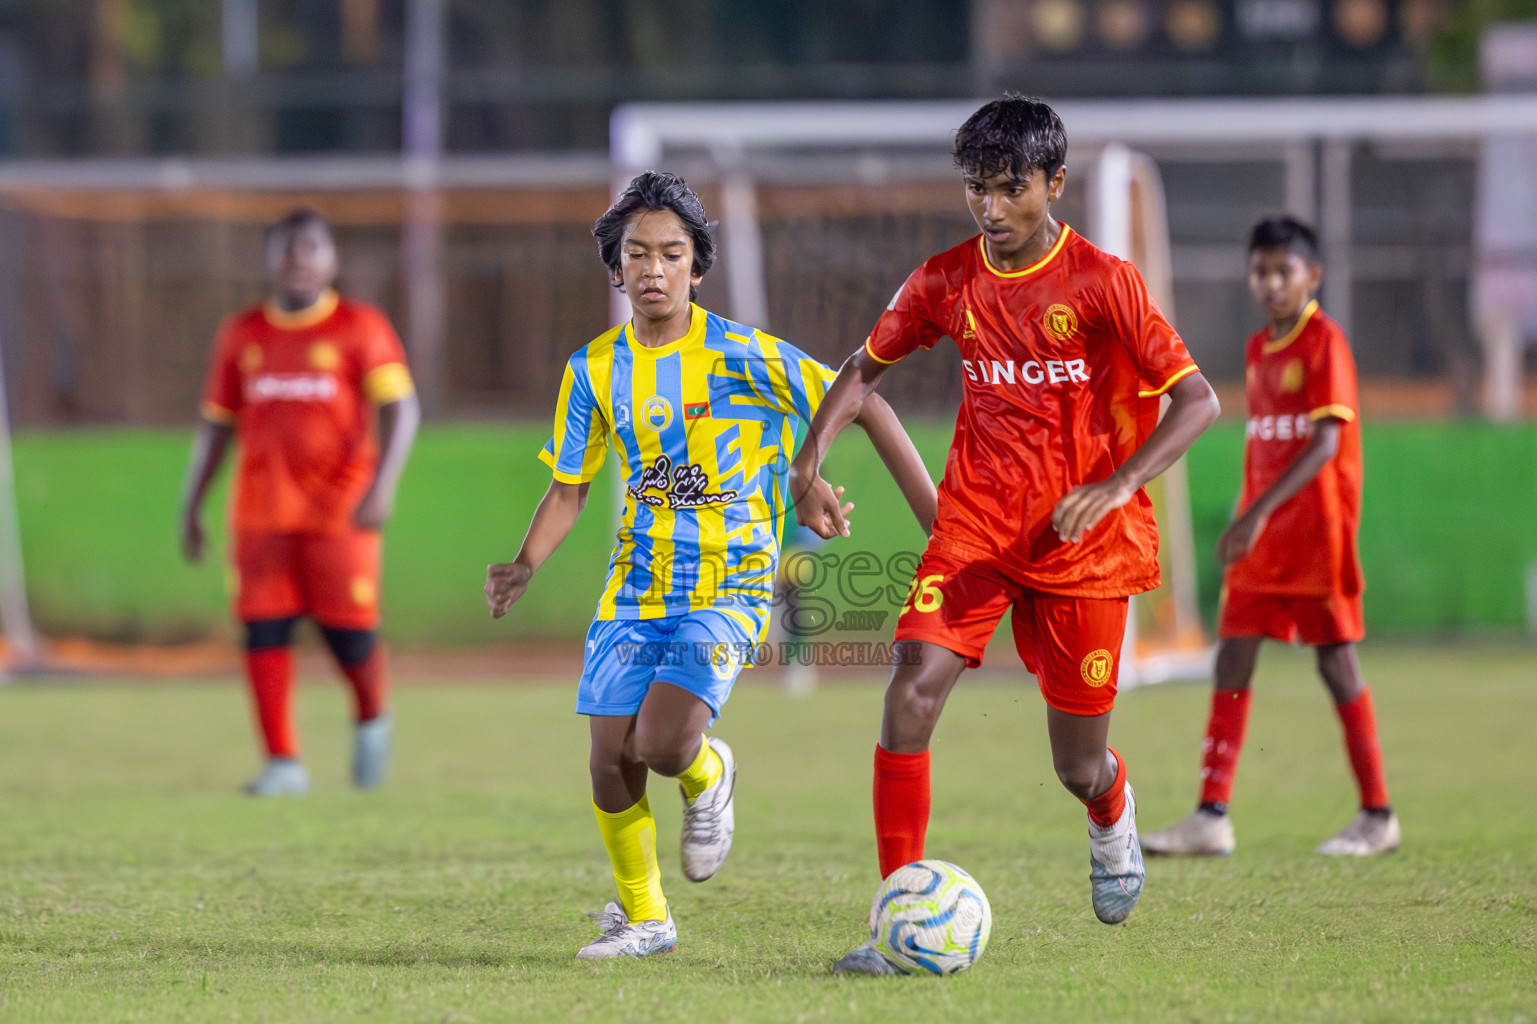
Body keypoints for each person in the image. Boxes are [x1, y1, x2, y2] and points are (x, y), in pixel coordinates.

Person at [789, 95, 1221, 974]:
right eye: (975, 190)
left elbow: (1198, 401)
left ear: (1053, 183)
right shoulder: (945, 279)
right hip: (974, 533)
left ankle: (1110, 815)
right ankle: (893, 920)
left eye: (1008, 189)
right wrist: (806, 466)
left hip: (1083, 549)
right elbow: (861, 369)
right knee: (908, 693)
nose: (989, 208)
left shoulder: (1104, 283)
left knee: (1076, 765)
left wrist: (1116, 484)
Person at [484, 171, 934, 960]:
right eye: (636, 254)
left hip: (728, 583)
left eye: (671, 253)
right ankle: (647, 919)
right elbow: (569, 487)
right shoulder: (592, 370)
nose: (652, 269)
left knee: (660, 744)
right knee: (606, 758)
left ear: (698, 267)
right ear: (614, 269)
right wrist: (524, 563)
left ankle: (705, 772)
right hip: (633, 590)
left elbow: (864, 399)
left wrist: (921, 516)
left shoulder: (745, 356)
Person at [1141, 216, 1398, 858]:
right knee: (1232, 657)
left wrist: (1256, 514)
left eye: (1284, 270)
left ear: (1312, 275)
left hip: (1316, 534)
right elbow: (1266, 447)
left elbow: (1324, 444)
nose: (1272, 282)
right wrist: (1245, 511)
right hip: (1262, 541)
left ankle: (1378, 813)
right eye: (1261, 271)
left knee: (1336, 664)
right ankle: (1211, 815)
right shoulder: (1260, 348)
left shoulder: (1325, 343)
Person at [180, 207, 419, 797]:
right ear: (268, 260)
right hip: (259, 518)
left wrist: (382, 487)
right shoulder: (242, 334)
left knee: (350, 639)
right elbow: (216, 427)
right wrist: (191, 505)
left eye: (310, 249)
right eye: (286, 250)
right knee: (263, 634)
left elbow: (402, 409)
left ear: (331, 259)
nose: (298, 261)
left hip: (339, 516)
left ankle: (371, 719)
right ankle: (283, 763)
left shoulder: (359, 327)